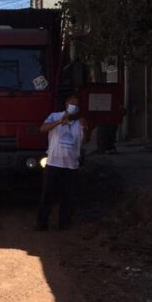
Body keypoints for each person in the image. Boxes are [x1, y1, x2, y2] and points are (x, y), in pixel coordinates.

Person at [37, 95, 89, 231]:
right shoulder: (54, 116)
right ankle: (42, 223)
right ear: (66, 104)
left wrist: (85, 128)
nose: (74, 106)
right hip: (53, 163)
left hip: (71, 165)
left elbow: (84, 142)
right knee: (47, 195)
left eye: (77, 105)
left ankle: (64, 223)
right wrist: (60, 121)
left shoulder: (79, 123)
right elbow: (42, 128)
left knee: (67, 196)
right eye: (72, 103)